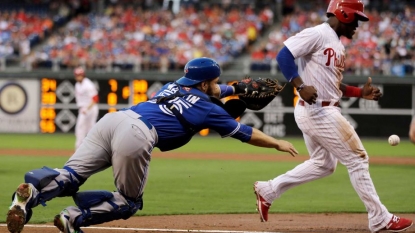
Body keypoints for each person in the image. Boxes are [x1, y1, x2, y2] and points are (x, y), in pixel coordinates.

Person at [6, 57, 299, 233]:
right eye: (216, 81)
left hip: (113, 121)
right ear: (206, 82)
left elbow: (214, 89)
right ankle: (71, 217)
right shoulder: (210, 108)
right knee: (129, 202)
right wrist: (277, 144)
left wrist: (234, 88)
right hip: (137, 134)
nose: (218, 85)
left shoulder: (174, 85)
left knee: (70, 176)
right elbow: (245, 132)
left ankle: (29, 195)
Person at [253, 1, 414, 232]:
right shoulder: (318, 33)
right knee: (358, 159)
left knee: (324, 164)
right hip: (318, 110)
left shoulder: (337, 44)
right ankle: (379, 217)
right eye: (356, 19)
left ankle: (268, 190)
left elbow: (333, 85)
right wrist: (299, 85)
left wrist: (360, 93)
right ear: (344, 14)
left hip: (321, 108)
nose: (357, 25)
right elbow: (284, 55)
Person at [73, 67, 99, 149]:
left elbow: (95, 98)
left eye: (80, 75)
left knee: (87, 129)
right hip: (83, 108)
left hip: (90, 108)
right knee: (81, 129)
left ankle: (91, 149)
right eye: (77, 75)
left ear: (83, 75)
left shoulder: (88, 84)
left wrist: (87, 109)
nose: (78, 77)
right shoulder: (77, 85)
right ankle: (81, 149)